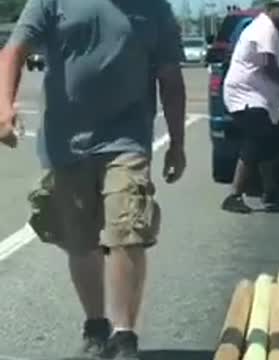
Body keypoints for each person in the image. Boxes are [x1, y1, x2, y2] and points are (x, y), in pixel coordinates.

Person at [0, 0, 186, 358]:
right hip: (65, 143)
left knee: (128, 227)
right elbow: (13, 52)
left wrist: (177, 143)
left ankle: (124, 335)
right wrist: (4, 107)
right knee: (80, 240)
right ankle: (96, 325)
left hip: (127, 139)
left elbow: (170, 78)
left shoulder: (155, 8)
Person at [221, 0, 279, 214]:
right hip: (247, 97)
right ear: (270, 8)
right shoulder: (265, 29)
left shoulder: (265, 27)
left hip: (259, 97)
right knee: (256, 143)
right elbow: (269, 65)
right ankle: (234, 195)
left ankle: (270, 190)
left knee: (270, 142)